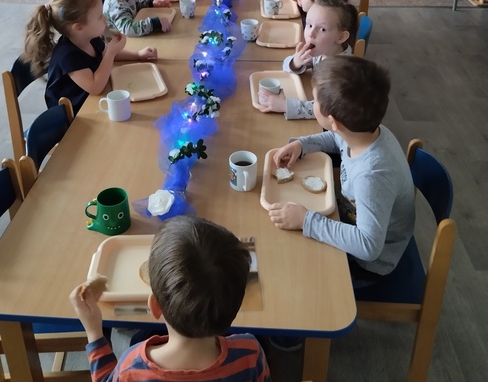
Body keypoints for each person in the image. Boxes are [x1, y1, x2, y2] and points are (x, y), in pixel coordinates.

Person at [268, 55, 415, 288]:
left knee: (291, 271)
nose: (312, 104)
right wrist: (303, 145)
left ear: (333, 121)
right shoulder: (364, 132)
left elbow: (368, 247)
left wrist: (306, 221)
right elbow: (337, 139)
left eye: (314, 101)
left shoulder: (372, 176)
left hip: (368, 264)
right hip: (351, 221)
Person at [69, 215, 271, 381]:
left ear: (154, 306)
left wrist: (94, 332)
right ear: (237, 305)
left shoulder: (132, 367)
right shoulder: (251, 354)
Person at [21, 0, 157, 115]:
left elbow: (106, 53)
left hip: (93, 100)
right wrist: (111, 53)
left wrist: (138, 55)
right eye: (99, 16)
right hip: (73, 117)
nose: (105, 19)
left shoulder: (90, 38)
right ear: (79, 28)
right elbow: (95, 87)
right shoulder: (68, 57)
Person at [259, 0, 358, 119]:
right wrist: (296, 62)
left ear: (341, 37)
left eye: (322, 29)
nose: (311, 34)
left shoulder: (342, 71)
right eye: (309, 25)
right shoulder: (325, 50)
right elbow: (287, 66)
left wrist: (285, 105)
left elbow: (326, 108)